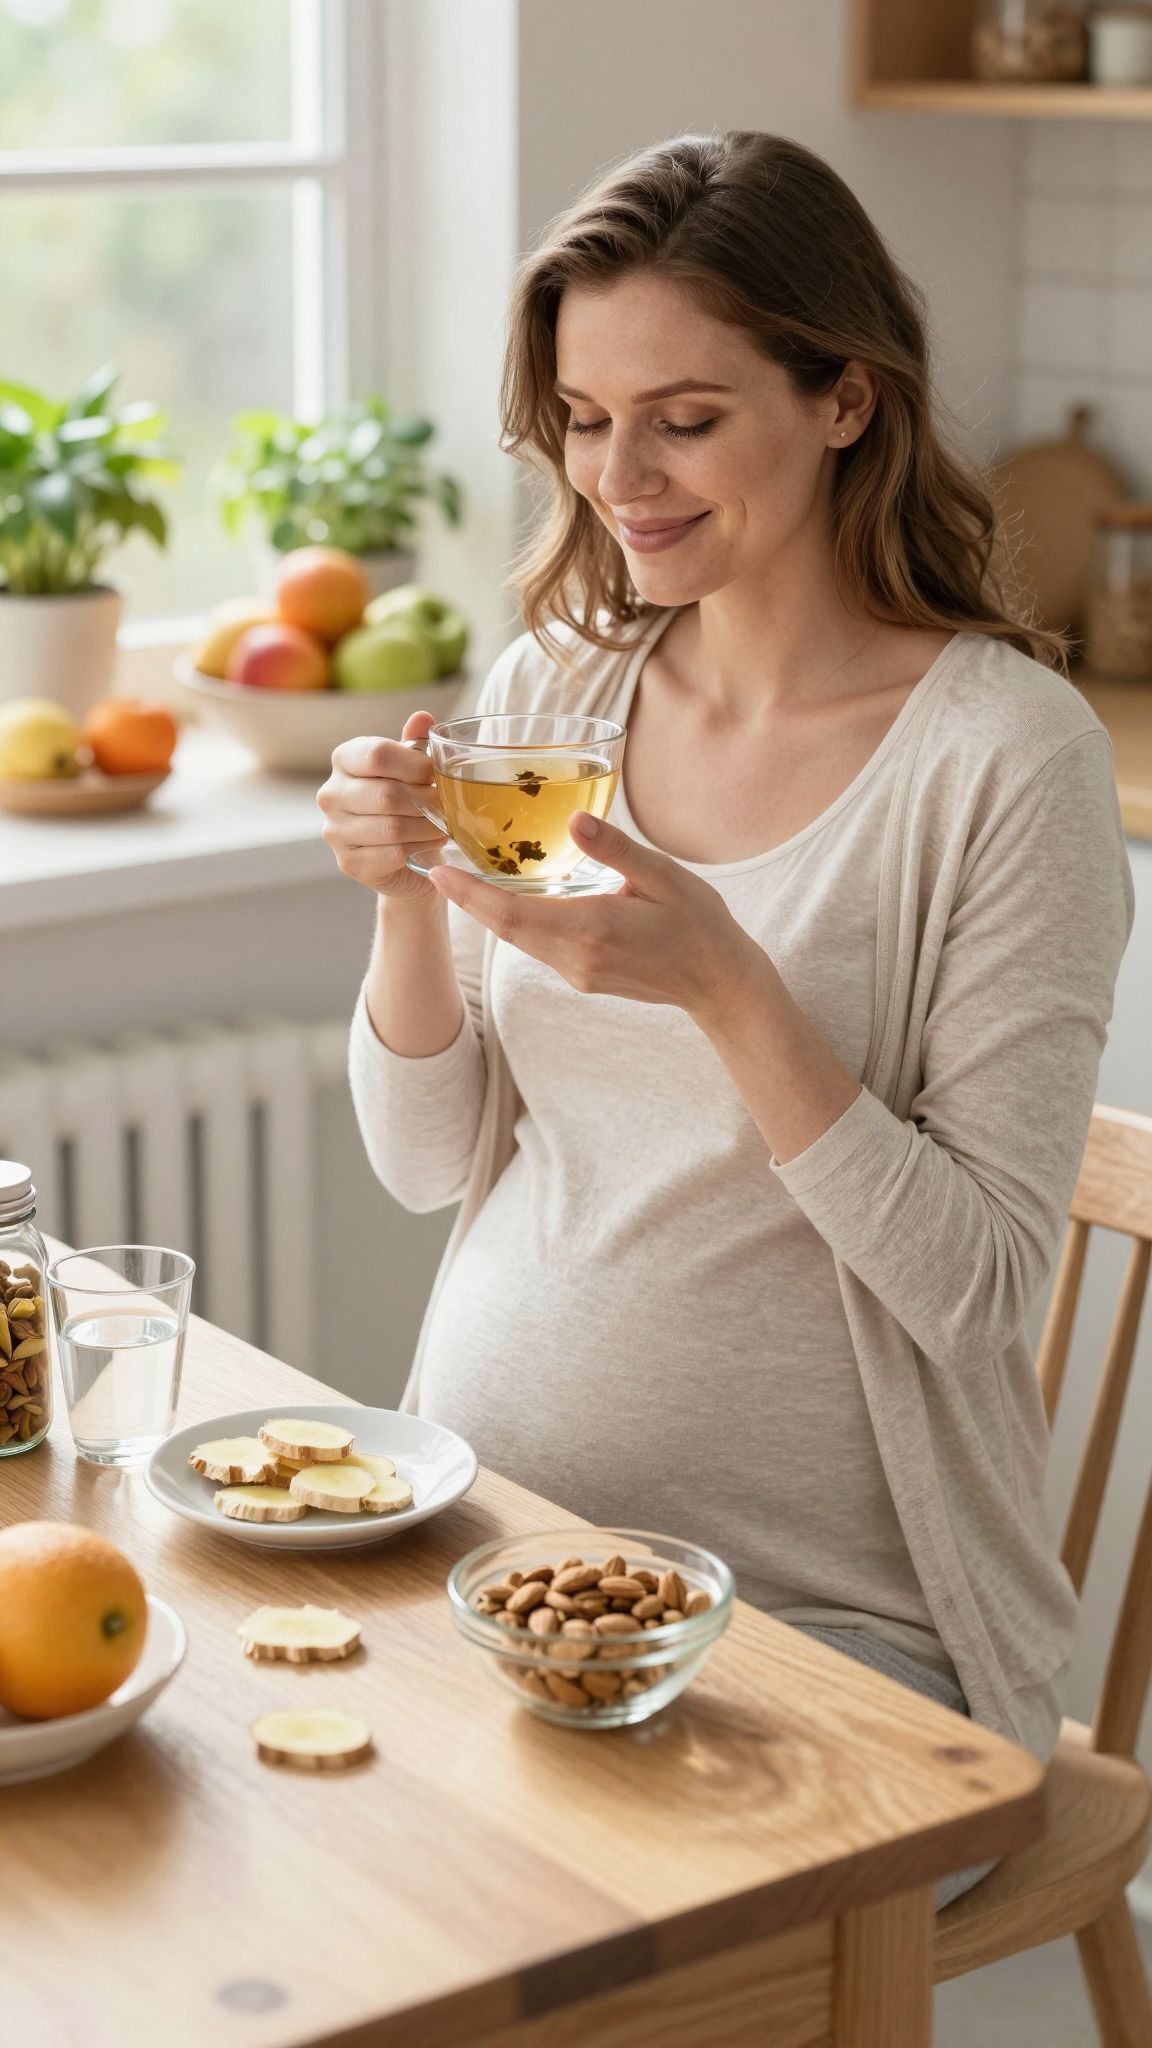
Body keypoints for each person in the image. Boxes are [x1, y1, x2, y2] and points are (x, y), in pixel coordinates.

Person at [318, 132, 1132, 1906]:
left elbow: (988, 1286)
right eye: (587, 420)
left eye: (685, 418)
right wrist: (402, 898)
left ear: (845, 400)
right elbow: (425, 1160)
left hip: (845, 1633)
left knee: (476, 1925)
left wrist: (731, 991)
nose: (623, 476)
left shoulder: (1007, 767)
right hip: (494, 1540)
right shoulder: (558, 688)